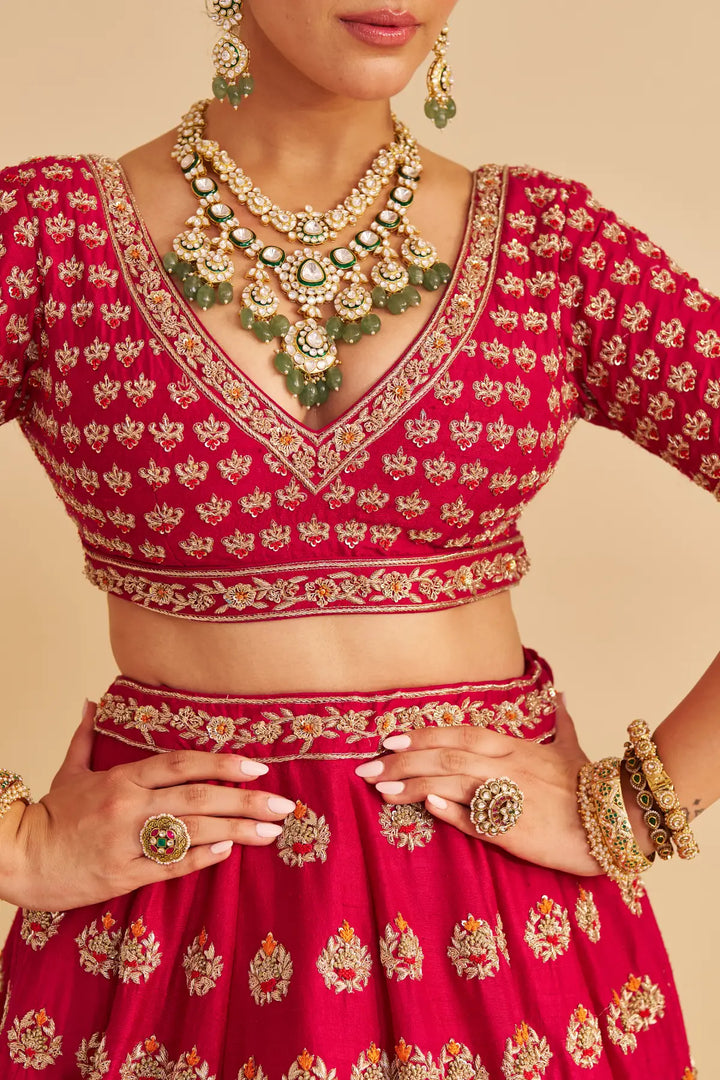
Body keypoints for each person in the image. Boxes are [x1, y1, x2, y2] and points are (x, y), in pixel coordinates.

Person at [0, 1, 716, 1076]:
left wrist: (638, 810)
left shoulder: (546, 246)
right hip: (167, 923)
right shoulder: (50, 237)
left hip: (505, 927)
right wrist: (17, 845)